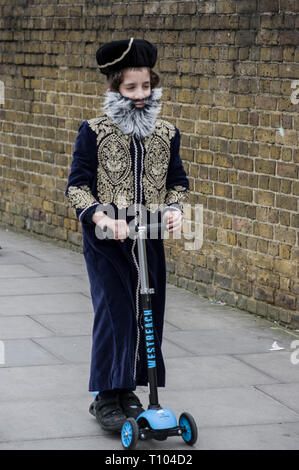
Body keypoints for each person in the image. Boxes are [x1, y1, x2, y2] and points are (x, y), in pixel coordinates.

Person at [65, 38, 190, 432]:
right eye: (130, 88)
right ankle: (106, 394)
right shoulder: (93, 131)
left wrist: (174, 210)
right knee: (115, 313)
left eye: (146, 87)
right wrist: (102, 217)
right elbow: (77, 187)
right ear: (115, 88)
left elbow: (177, 183)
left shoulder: (167, 133)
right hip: (107, 239)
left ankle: (128, 389)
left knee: (147, 313)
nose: (139, 95)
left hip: (148, 237)